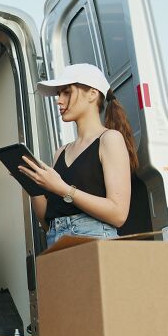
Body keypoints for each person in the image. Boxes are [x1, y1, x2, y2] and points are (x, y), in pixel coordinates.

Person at [19, 63, 138, 248]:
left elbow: (118, 214)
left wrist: (63, 189)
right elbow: (47, 223)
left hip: (95, 240)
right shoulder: (61, 151)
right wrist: (33, 186)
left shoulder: (110, 139)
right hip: (56, 242)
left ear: (92, 94)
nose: (59, 100)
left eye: (66, 92)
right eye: (59, 94)